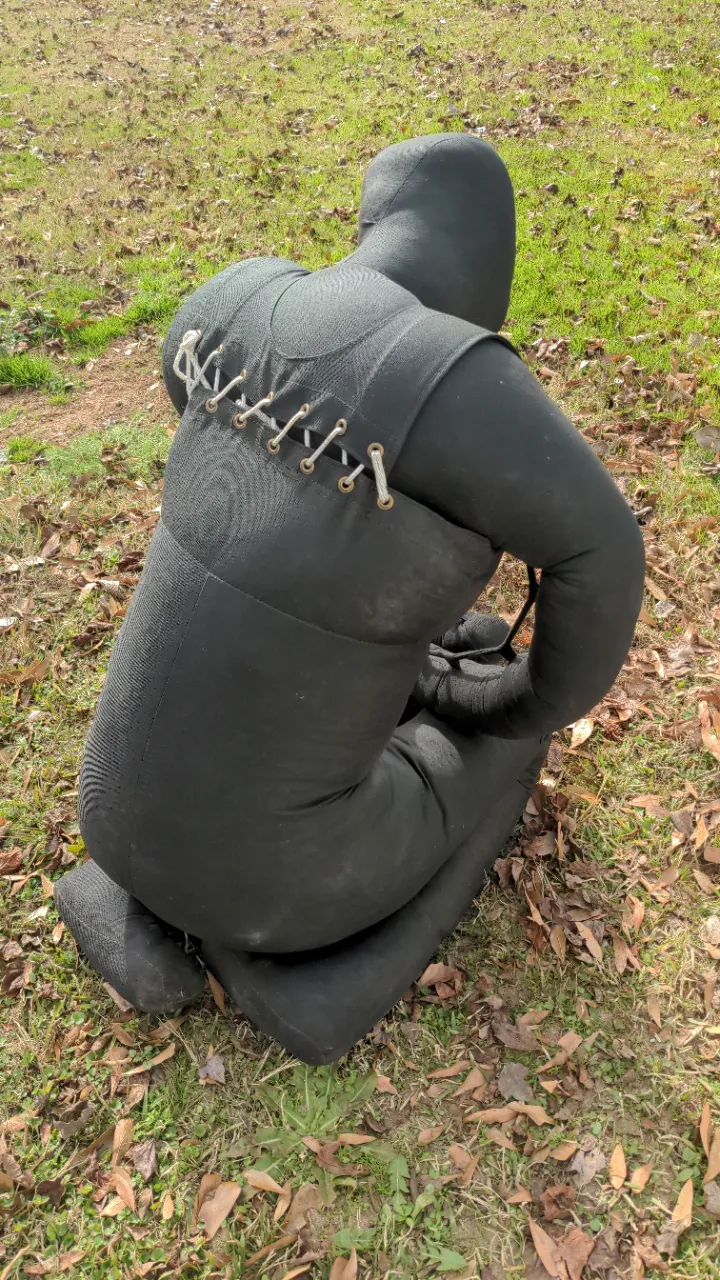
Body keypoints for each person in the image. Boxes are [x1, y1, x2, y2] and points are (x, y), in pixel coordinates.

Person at [55, 134, 645, 1063]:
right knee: (509, 727)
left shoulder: (231, 300)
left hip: (107, 806)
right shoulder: (466, 384)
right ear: (489, 255)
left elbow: (224, 470)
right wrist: (486, 706)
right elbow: (605, 571)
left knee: (442, 643)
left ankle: (140, 910)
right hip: (281, 887)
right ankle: (311, 984)